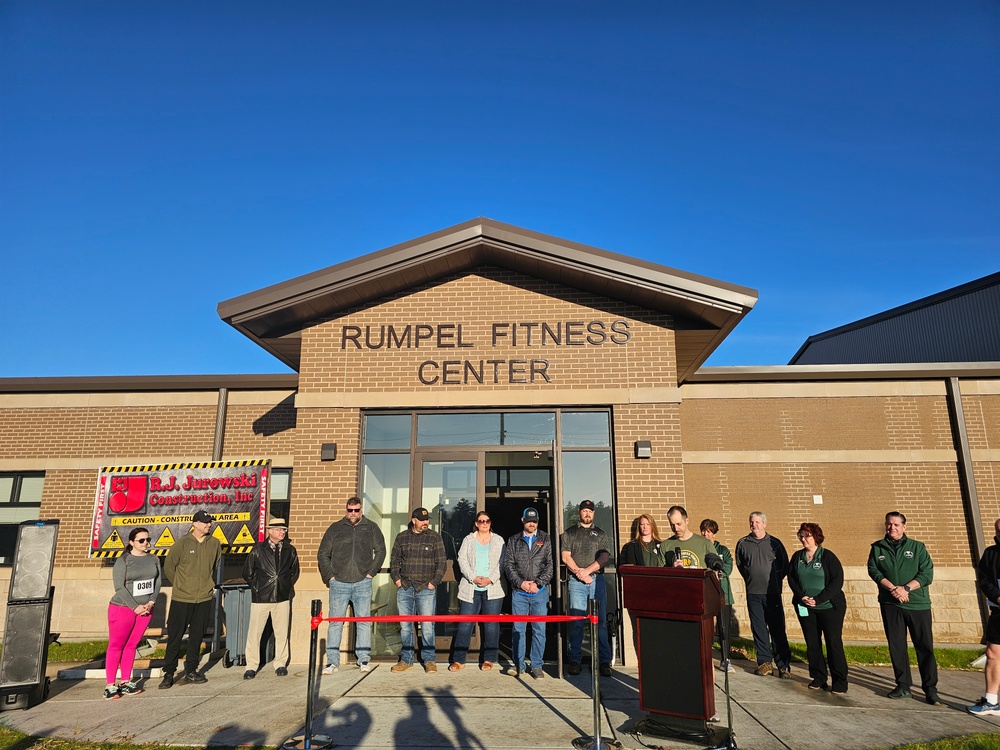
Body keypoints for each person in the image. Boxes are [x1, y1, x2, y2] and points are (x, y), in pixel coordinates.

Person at [868, 511, 940, 704]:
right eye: (889, 524)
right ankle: (903, 686)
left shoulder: (917, 547)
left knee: (924, 647)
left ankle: (930, 689)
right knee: (897, 646)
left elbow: (927, 574)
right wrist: (893, 589)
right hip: (891, 604)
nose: (892, 528)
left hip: (917, 604)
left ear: (904, 526)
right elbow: (873, 570)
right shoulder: (877, 548)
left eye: (896, 525)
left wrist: (906, 588)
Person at [318, 495, 386, 674]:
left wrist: (371, 573)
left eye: (356, 510)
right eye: (350, 510)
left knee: (363, 622)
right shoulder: (335, 528)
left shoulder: (371, 528)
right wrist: (330, 577)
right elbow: (323, 553)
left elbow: (380, 551)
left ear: (361, 510)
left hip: (363, 582)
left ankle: (363, 660)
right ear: (346, 510)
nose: (353, 513)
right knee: (335, 623)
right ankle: (332, 662)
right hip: (338, 583)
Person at [159, 509, 221, 689]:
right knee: (175, 637)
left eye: (210, 521)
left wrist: (206, 585)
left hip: (203, 599)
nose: (208, 524)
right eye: (205, 522)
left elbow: (214, 566)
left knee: (196, 637)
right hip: (182, 598)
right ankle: (169, 673)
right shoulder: (182, 543)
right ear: (194, 523)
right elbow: (170, 567)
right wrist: (181, 584)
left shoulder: (215, 543)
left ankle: (191, 670)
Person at [787, 523, 848, 693]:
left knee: (833, 643)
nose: (803, 539)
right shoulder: (797, 557)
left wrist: (819, 599)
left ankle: (840, 681)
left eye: (807, 536)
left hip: (829, 607)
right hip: (805, 607)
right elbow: (792, 578)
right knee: (812, 643)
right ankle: (819, 677)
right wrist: (801, 597)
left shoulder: (827, 556)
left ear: (816, 537)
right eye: (801, 535)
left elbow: (837, 581)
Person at [105, 527, 161, 699]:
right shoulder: (124, 560)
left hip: (145, 610)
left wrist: (150, 602)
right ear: (131, 542)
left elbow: (157, 581)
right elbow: (119, 587)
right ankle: (110, 685)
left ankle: (126, 681)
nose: (146, 543)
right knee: (117, 645)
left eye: (147, 539)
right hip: (123, 608)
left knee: (132, 645)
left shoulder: (154, 559)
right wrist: (134, 606)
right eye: (141, 540)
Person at [389, 507, 446, 673]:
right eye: (422, 520)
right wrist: (397, 580)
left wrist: (433, 583)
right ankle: (406, 659)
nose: (425, 523)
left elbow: (441, 563)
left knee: (427, 626)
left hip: (425, 589)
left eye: (427, 520)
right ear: (414, 520)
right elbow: (394, 561)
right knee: (405, 626)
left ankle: (429, 660)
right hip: (405, 587)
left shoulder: (434, 537)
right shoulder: (402, 537)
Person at [242, 517, 300, 680]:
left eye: (284, 530)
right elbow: (247, 573)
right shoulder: (258, 550)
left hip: (282, 597)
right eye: (279, 529)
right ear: (270, 531)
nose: (282, 532)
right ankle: (251, 666)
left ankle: (280, 663)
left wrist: (285, 587)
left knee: (282, 633)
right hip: (261, 598)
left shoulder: (290, 550)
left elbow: (294, 572)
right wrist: (258, 588)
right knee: (254, 633)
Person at [735, 511, 791, 678]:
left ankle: (783, 665)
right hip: (753, 593)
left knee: (777, 628)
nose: (754, 525)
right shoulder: (743, 543)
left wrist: (774, 581)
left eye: (758, 522)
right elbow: (741, 565)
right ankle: (765, 663)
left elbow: (784, 566)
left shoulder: (775, 543)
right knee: (759, 629)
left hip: (772, 593)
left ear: (765, 524)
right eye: (752, 522)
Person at [561, 499, 612, 677]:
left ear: (594, 513)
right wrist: (579, 573)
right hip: (576, 582)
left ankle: (604, 661)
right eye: (584, 511)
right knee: (576, 622)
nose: (587, 513)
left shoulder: (601, 534)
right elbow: (566, 556)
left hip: (596, 581)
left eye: (590, 511)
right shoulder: (569, 533)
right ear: (579, 512)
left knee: (601, 622)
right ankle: (575, 659)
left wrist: (588, 572)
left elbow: (604, 557)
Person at [449, 510, 505, 672]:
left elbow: (503, 562)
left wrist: (490, 579)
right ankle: (459, 659)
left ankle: (489, 658)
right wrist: (473, 577)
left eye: (487, 521)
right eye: (481, 521)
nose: (484, 524)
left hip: (493, 589)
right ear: (476, 523)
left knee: (491, 626)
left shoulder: (499, 540)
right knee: (465, 625)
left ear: (490, 523)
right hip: (470, 588)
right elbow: (462, 559)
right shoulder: (468, 540)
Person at [503, 507, 553, 679]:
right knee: (519, 629)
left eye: (535, 521)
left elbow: (550, 566)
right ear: (523, 520)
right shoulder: (513, 540)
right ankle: (519, 665)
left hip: (539, 592)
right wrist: (521, 583)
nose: (532, 524)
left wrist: (538, 584)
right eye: (529, 520)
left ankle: (537, 665)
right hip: (519, 592)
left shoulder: (545, 538)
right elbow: (508, 566)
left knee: (539, 629)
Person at [968, 518, 1000, 716]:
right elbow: (984, 579)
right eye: (998, 530)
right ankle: (991, 701)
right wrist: (997, 596)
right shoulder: (990, 554)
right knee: (992, 654)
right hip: (998, 611)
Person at [700, 519, 735, 673]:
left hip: (723, 594)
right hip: (705, 594)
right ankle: (704, 658)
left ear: (714, 533)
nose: (705, 534)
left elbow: (727, 568)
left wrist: (715, 570)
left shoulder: (723, 550)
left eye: (709, 531)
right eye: (703, 531)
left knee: (723, 628)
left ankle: (725, 659)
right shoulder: (700, 548)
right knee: (704, 628)